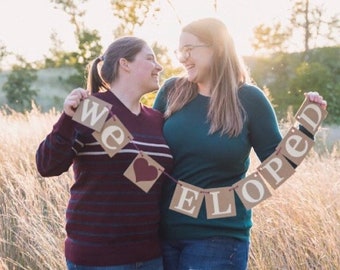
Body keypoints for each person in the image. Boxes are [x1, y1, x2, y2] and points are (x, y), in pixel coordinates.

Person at [153, 17, 327, 270]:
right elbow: (145, 146)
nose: (182, 58)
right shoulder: (172, 91)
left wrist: (306, 128)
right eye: (180, 50)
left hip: (219, 239)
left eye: (189, 49)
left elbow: (279, 162)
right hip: (161, 233)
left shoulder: (249, 99)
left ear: (218, 48)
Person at [36, 36, 174, 270]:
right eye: (150, 58)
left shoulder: (157, 120)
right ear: (125, 64)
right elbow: (47, 165)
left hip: (149, 256)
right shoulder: (92, 109)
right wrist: (67, 118)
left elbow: (155, 185)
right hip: (97, 258)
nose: (159, 66)